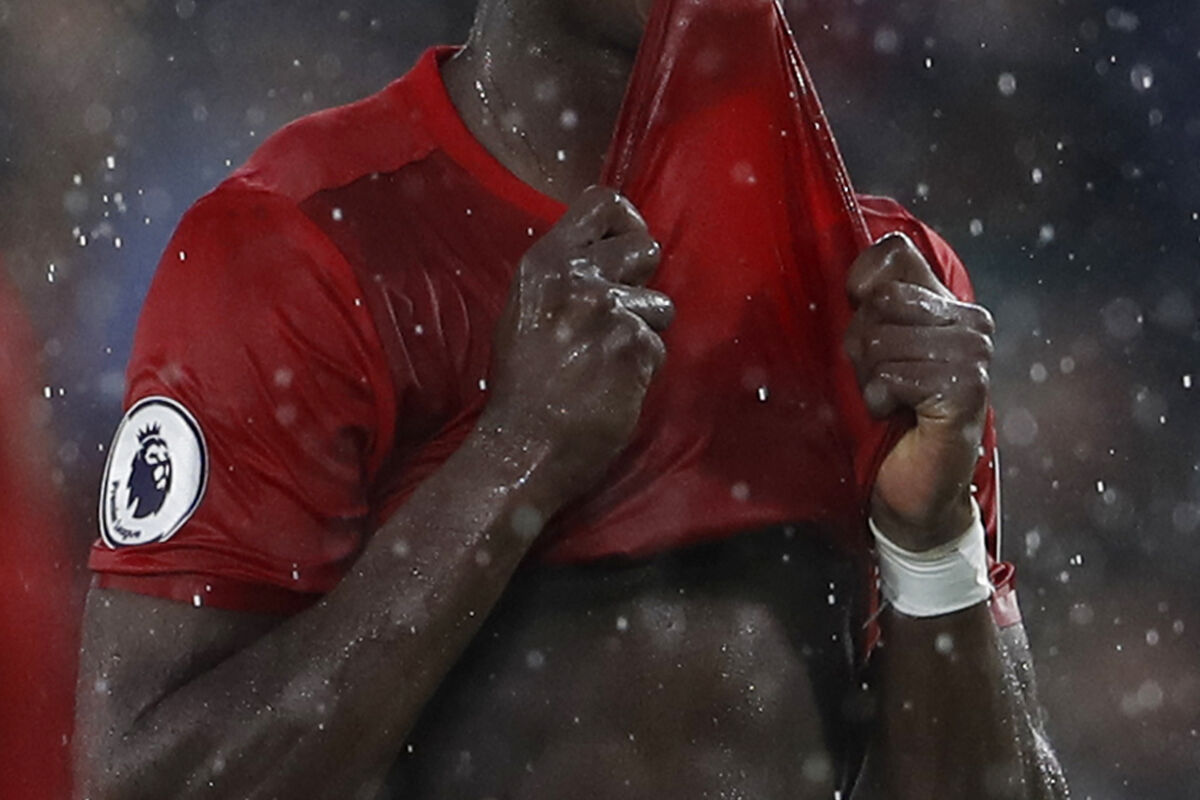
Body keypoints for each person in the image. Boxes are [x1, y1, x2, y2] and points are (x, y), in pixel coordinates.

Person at [73, 0, 1068, 797]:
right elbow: (144, 780)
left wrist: (933, 544)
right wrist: (515, 455)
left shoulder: (885, 290)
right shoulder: (299, 251)